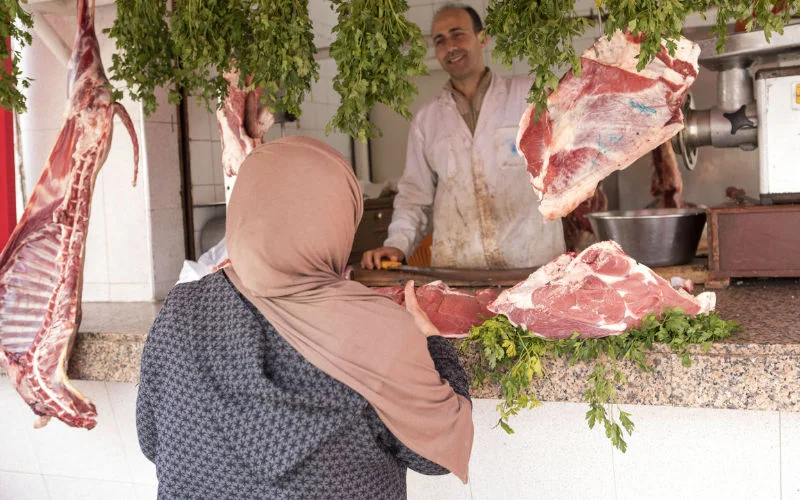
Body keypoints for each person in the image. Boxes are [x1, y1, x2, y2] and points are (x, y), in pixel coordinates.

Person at [136, 136, 474, 499]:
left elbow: (150, 439)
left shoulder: (180, 311)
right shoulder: (377, 332)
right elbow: (434, 457)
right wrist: (434, 346)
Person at [362, 4, 566, 270]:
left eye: (457, 34)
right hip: (458, 270)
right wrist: (397, 243)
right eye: (440, 40)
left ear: (483, 38)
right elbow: (414, 198)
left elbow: (570, 156)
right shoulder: (427, 120)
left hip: (533, 266)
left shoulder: (529, 96)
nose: (450, 47)